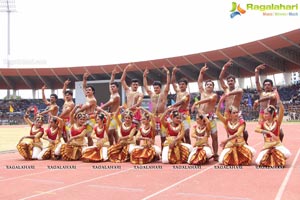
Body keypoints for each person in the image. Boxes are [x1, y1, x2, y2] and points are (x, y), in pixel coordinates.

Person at [217, 95, 256, 165]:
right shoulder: (226, 121)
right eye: (234, 113)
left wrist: (226, 140)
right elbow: (217, 113)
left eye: (237, 112)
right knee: (221, 160)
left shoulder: (241, 122)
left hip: (240, 144)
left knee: (248, 156)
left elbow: (237, 134)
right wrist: (220, 101)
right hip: (230, 144)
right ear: (230, 114)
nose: (236, 114)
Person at [255, 97, 291, 167]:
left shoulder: (277, 122)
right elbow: (256, 129)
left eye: (266, 114)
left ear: (271, 114)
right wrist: (268, 132)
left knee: (287, 153)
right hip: (267, 146)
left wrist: (278, 100)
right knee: (258, 161)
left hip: (277, 145)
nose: (264, 115)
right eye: (264, 114)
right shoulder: (263, 123)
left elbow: (282, 110)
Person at [219, 60, 248, 143]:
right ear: (227, 83)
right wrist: (225, 67)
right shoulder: (225, 89)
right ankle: (229, 142)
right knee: (229, 130)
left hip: (236, 112)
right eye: (228, 81)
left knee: (243, 129)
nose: (230, 82)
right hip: (227, 113)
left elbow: (240, 91)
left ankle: (245, 142)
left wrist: (229, 94)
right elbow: (220, 78)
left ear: (235, 82)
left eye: (232, 81)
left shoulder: (238, 89)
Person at [193, 64, 219, 161]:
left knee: (214, 136)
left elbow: (208, 100)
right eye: (207, 84)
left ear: (213, 87)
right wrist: (201, 72)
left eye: (210, 85)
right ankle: (201, 153)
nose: (208, 86)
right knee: (200, 136)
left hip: (210, 118)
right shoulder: (202, 93)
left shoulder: (214, 95)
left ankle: (215, 154)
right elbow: (199, 82)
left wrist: (197, 103)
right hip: (201, 118)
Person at [254, 64, 284, 141]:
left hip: (272, 115)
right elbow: (257, 82)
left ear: (271, 86)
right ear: (263, 86)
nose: (266, 86)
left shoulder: (274, 93)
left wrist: (259, 100)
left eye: (268, 85)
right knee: (265, 133)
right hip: (262, 115)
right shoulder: (261, 93)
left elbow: (271, 97)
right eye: (265, 85)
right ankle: (267, 145)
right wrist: (256, 71)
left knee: (280, 132)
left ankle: (278, 144)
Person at [143, 66, 170, 149]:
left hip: (162, 116)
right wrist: (144, 76)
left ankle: (163, 152)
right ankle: (153, 152)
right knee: (152, 135)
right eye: (154, 88)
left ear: (160, 87)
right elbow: (145, 86)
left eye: (157, 88)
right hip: (153, 117)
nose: (155, 89)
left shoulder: (164, 94)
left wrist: (168, 73)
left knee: (163, 137)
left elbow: (168, 84)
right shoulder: (152, 94)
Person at [170, 66, 191, 144]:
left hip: (185, 114)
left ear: (186, 85)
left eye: (183, 84)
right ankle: (182, 149)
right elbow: (173, 82)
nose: (181, 86)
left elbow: (182, 102)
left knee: (186, 134)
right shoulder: (178, 91)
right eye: (180, 84)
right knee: (178, 133)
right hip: (176, 114)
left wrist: (172, 106)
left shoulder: (187, 94)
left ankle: (189, 149)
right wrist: (173, 73)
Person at [75, 72, 97, 146]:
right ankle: (84, 146)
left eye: (89, 90)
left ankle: (91, 148)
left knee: (89, 135)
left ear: (93, 92)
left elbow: (84, 108)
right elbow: (84, 87)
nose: (87, 91)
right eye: (87, 90)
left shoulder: (93, 99)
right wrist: (84, 78)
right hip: (85, 117)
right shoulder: (87, 96)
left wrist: (76, 112)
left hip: (91, 118)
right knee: (83, 133)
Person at [101, 68, 121, 145]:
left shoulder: (117, 96)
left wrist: (101, 107)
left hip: (115, 116)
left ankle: (112, 146)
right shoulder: (112, 94)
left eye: (114, 87)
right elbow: (110, 83)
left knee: (109, 132)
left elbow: (110, 102)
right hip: (111, 115)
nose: (112, 88)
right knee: (114, 133)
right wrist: (113, 74)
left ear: (117, 88)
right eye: (112, 87)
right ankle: (116, 146)